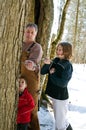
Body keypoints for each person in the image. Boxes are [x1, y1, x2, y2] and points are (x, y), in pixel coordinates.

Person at [41, 42, 73, 130]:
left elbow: (63, 83)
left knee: (60, 125)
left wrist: (52, 74)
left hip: (61, 98)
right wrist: (47, 64)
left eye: (60, 49)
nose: (57, 51)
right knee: (60, 122)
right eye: (57, 49)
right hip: (54, 96)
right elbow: (43, 72)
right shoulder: (55, 60)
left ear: (66, 52)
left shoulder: (68, 66)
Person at [20, 23, 43, 130]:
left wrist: (31, 64)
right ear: (24, 32)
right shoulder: (19, 44)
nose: (29, 34)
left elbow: (34, 62)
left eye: (32, 32)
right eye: (27, 31)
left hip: (31, 81)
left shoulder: (36, 47)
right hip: (20, 80)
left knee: (31, 108)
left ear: (35, 34)